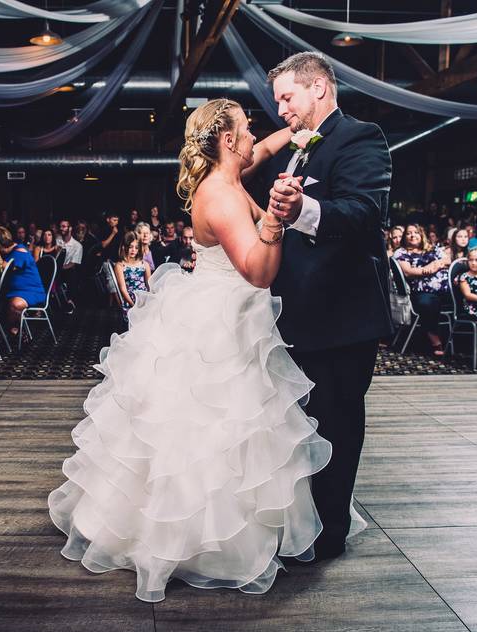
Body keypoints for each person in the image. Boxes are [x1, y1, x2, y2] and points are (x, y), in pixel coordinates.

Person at [49, 98, 334, 603]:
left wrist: (297, 133)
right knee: (214, 427)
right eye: (246, 130)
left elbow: (265, 149)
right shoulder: (222, 197)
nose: (253, 137)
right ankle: (204, 541)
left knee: (241, 426)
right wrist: (273, 217)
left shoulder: (233, 170)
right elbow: (259, 271)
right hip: (222, 317)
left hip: (228, 308)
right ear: (227, 141)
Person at [245, 51, 390, 561]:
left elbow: (363, 211)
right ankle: (304, 522)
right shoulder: (301, 149)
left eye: (287, 97)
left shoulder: (360, 137)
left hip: (342, 317)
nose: (281, 108)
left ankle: (330, 534)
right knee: (303, 424)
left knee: (337, 423)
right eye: (279, 99)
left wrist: (303, 208)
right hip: (301, 315)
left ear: (319, 89)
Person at [392, 224, 451, 357]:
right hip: (420, 292)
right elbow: (409, 272)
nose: (413, 235)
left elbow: (447, 259)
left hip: (445, 290)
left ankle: (475, 340)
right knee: (427, 302)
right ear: (405, 237)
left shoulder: (432, 248)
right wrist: (431, 267)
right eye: (409, 233)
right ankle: (433, 336)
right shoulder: (401, 252)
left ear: (422, 235)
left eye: (416, 232)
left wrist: (435, 264)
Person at [0, 227, 46, 342]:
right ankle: (4, 332)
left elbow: (4, 268)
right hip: (14, 291)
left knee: (14, 304)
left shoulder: (19, 251)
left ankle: (15, 330)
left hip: (30, 291)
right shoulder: (10, 252)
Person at [113, 232, 150, 319]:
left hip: (144, 298)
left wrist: (148, 300)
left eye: (136, 247)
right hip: (129, 300)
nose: (133, 250)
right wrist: (133, 305)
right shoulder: (120, 265)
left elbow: (149, 285)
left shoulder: (144, 264)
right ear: (124, 247)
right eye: (130, 247)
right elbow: (123, 289)